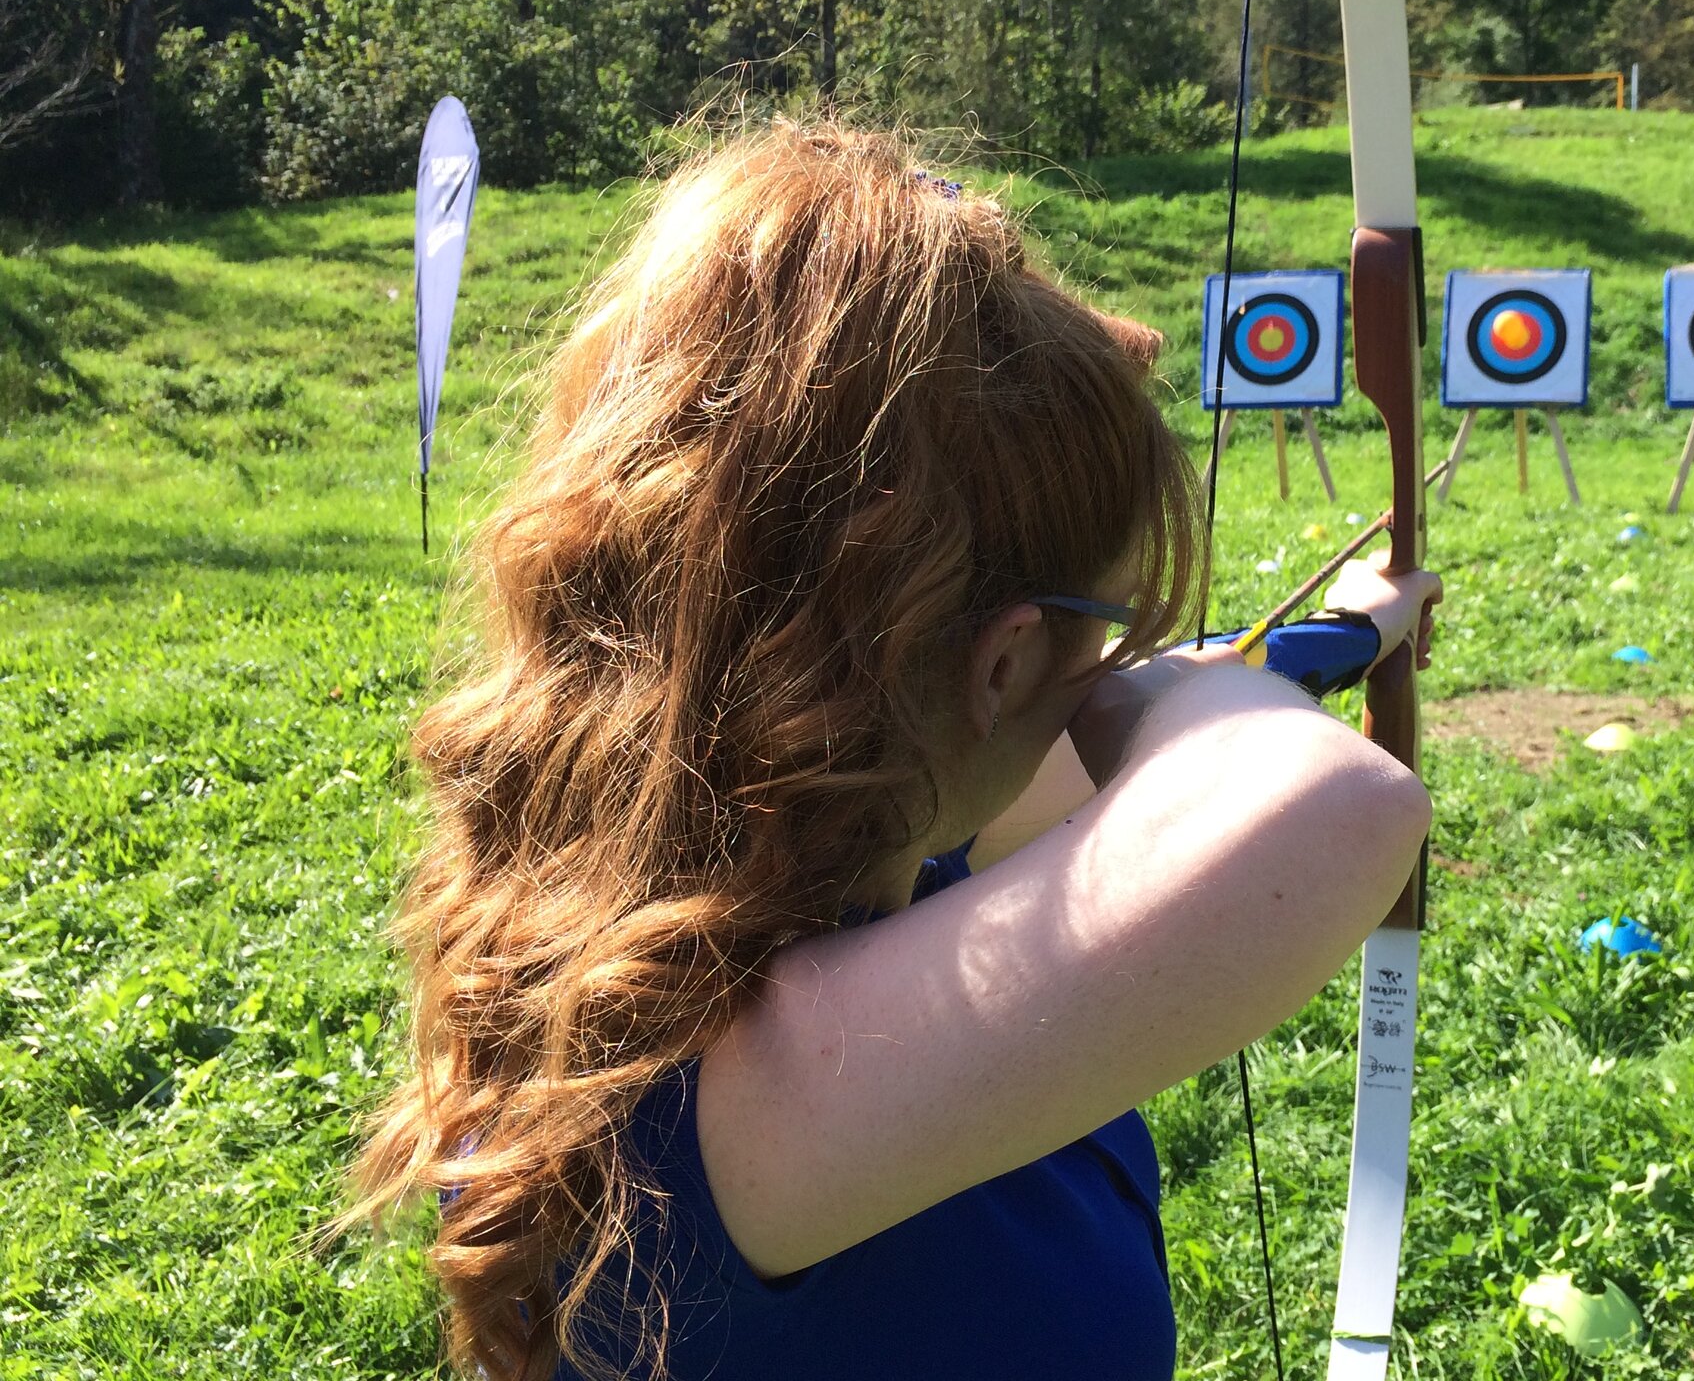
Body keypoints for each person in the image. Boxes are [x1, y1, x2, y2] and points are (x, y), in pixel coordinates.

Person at [348, 121, 1442, 1381]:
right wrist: (1150, 698)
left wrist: (1337, 636)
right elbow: (1338, 807)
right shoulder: (755, 1092)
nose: (1116, 678)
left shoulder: (670, 913)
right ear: (999, 665)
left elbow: (1096, 747)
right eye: (1103, 639)